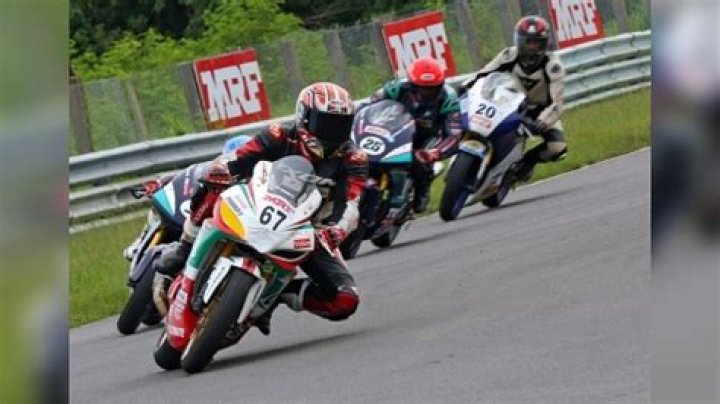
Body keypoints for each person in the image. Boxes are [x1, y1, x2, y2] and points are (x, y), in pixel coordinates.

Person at [152, 82, 368, 339]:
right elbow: (239, 157)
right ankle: (186, 246)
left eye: (340, 125)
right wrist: (222, 169)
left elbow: (350, 204)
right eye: (326, 123)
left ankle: (279, 295)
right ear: (304, 116)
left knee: (345, 299)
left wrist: (336, 231)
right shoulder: (278, 135)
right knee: (214, 183)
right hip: (254, 204)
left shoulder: (353, 159)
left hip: (308, 230)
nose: (332, 132)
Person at [459, 15, 567, 182]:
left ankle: (527, 162)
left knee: (557, 148)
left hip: (539, 112)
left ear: (544, 44)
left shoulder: (553, 66)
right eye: (527, 42)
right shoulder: (509, 55)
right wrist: (466, 85)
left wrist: (542, 122)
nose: (531, 48)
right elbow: (484, 73)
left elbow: (557, 103)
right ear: (519, 41)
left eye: (536, 43)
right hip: (508, 104)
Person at [122, 134, 253, 261]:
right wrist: (159, 184)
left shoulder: (252, 184)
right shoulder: (213, 170)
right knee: (157, 208)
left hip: (218, 224)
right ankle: (141, 240)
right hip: (190, 214)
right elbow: (185, 175)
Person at [367, 56, 462, 215]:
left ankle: (422, 188)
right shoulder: (395, 89)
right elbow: (368, 108)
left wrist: (434, 153)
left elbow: (454, 135)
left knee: (420, 162)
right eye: (422, 88)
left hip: (427, 136)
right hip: (393, 130)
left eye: (432, 89)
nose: (427, 93)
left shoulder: (449, 98)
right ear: (412, 85)